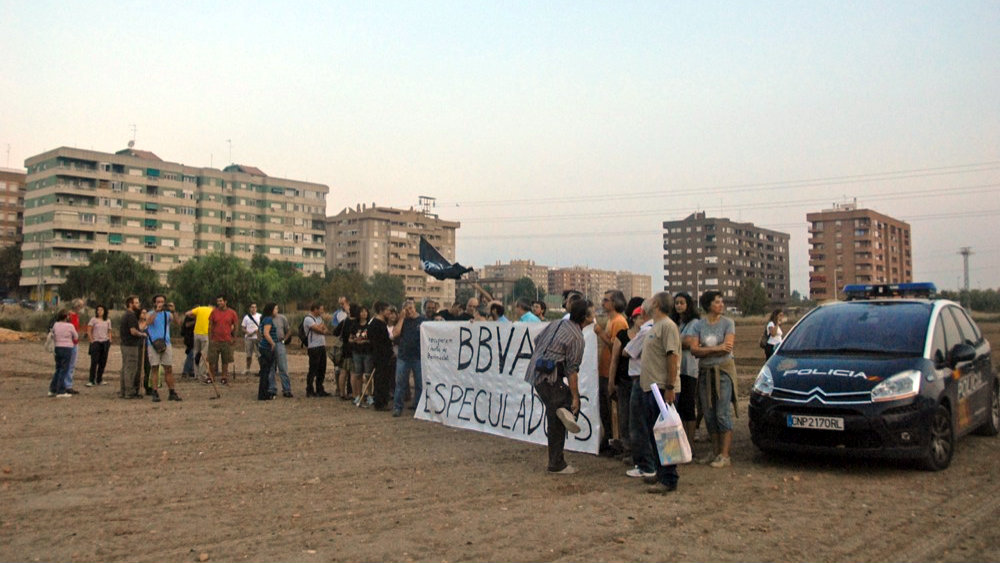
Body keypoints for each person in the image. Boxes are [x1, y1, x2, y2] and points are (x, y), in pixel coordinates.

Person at [524, 298, 588, 474]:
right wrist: (575, 397)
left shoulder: (557, 323)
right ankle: (556, 463)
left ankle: (556, 460)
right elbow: (572, 370)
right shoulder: (577, 337)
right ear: (585, 318)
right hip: (550, 378)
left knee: (555, 412)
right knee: (560, 414)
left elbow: (537, 340)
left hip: (536, 372)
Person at [687, 290, 737, 468]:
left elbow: (727, 348)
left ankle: (725, 455)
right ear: (708, 305)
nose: (721, 304)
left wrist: (705, 350)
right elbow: (694, 350)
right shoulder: (698, 325)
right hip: (705, 373)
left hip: (723, 372)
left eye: (721, 301)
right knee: (708, 413)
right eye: (717, 302)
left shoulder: (728, 323)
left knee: (722, 413)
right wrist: (717, 348)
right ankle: (715, 452)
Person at [638, 292, 683, 494]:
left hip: (662, 389)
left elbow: (672, 356)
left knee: (666, 435)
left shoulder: (667, 326)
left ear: (656, 304)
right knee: (654, 433)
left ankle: (669, 478)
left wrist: (670, 387)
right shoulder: (654, 326)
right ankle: (660, 471)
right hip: (651, 388)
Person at [623, 301, 655, 478]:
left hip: (640, 379)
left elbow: (627, 351)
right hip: (654, 380)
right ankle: (653, 463)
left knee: (638, 424)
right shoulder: (662, 327)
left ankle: (646, 465)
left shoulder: (645, 331)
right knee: (649, 423)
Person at [594, 290, 628, 456]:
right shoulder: (610, 320)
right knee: (605, 409)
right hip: (604, 369)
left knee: (612, 409)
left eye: (606, 300)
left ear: (615, 303)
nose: (603, 303)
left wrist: (600, 333)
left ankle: (616, 442)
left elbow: (616, 347)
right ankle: (608, 439)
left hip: (610, 372)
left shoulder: (619, 322)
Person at [670, 292, 700, 444]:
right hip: (677, 370)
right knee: (679, 407)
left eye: (682, 303)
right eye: (677, 303)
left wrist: (674, 340)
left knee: (688, 406)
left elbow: (690, 342)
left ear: (688, 305)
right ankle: (682, 442)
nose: (679, 306)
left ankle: (690, 442)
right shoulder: (677, 323)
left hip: (689, 370)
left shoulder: (694, 323)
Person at [145, 294, 183, 402]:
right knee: (155, 368)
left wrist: (173, 311)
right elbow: (148, 322)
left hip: (166, 343)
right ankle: (155, 392)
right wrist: (156, 311)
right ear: (154, 303)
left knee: (168, 368)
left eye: (162, 302)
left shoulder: (167, 314)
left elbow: (178, 323)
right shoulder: (150, 313)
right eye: (158, 302)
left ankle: (172, 392)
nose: (160, 304)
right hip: (153, 344)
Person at [392, 299, 425, 417]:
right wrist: (401, 318)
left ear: (415, 307)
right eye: (406, 309)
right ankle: (397, 407)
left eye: (410, 308)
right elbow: (395, 333)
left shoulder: (423, 320)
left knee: (419, 384)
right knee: (400, 383)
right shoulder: (403, 321)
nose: (409, 311)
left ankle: (418, 406)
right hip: (404, 356)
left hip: (418, 356)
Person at [368, 301, 394, 410]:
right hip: (381, 356)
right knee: (381, 380)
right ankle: (380, 403)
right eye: (387, 310)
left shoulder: (379, 323)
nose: (389, 312)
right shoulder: (377, 324)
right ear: (381, 311)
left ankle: (382, 401)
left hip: (382, 356)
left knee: (383, 379)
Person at [208, 295, 239, 386]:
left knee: (225, 360)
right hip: (215, 340)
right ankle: (211, 377)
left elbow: (236, 326)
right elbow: (210, 326)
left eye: (221, 301)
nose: (219, 303)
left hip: (226, 340)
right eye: (218, 301)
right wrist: (210, 339)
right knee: (212, 360)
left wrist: (234, 338)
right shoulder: (214, 312)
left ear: (225, 302)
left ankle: (224, 377)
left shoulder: (232, 313)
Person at [119, 295, 146, 399]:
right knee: (131, 368)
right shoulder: (131, 316)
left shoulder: (126, 315)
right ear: (130, 304)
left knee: (125, 368)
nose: (138, 305)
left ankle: (123, 391)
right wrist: (142, 334)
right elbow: (133, 331)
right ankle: (129, 392)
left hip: (125, 344)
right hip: (131, 345)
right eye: (136, 303)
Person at [49, 309, 78, 398]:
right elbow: (76, 336)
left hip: (57, 347)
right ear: (66, 317)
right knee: (64, 369)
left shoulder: (55, 324)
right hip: (67, 347)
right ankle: (61, 390)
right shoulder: (70, 326)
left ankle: (53, 389)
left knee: (58, 368)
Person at [303, 302, 330, 397]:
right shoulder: (308, 319)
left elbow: (325, 330)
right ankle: (309, 389)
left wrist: (321, 328)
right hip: (313, 347)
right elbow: (318, 330)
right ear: (315, 309)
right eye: (321, 309)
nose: (322, 311)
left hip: (322, 345)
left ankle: (320, 389)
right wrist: (320, 328)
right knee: (313, 369)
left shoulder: (319, 318)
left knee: (322, 369)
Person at [332, 302, 356, 400]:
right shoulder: (357, 322)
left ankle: (342, 393)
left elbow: (335, 332)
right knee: (353, 373)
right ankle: (353, 393)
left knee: (343, 372)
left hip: (344, 349)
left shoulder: (345, 321)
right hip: (354, 350)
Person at [268, 306, 293, 398]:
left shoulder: (282, 318)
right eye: (274, 308)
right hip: (269, 344)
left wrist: (284, 340)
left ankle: (287, 389)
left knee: (283, 367)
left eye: (277, 309)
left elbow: (288, 330)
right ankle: (272, 389)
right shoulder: (266, 319)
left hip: (279, 343)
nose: (276, 310)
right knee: (271, 368)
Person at [350, 306, 373, 406]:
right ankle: (359, 395)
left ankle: (369, 395)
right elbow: (350, 338)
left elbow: (373, 339)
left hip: (367, 352)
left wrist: (365, 341)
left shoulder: (370, 326)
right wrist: (355, 340)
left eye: (365, 311)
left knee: (368, 375)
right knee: (358, 374)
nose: (364, 313)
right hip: (357, 352)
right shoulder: (354, 326)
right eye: (362, 312)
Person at [186, 303, 214, 383]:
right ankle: (203, 375)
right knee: (203, 355)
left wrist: (196, 317)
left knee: (196, 354)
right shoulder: (212, 311)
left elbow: (187, 313)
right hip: (205, 333)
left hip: (196, 333)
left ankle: (196, 374)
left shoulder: (199, 309)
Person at [85, 304, 112, 387]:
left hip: (105, 342)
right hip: (96, 342)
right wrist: (91, 340)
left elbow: (109, 331)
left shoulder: (108, 320)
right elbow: (89, 330)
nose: (99, 311)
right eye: (98, 310)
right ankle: (91, 380)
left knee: (103, 362)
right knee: (94, 361)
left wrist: (110, 339)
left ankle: (99, 379)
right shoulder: (93, 320)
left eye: (101, 310)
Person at [256, 303, 279, 401]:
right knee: (266, 371)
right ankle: (263, 394)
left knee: (265, 371)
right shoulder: (268, 319)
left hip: (264, 347)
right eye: (276, 309)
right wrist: (272, 343)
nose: (277, 311)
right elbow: (266, 333)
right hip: (267, 348)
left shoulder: (264, 319)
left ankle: (263, 392)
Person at [62, 298, 85, 394]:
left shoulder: (76, 316)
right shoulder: (69, 316)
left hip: (75, 342)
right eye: (81, 306)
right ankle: (65, 385)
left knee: (71, 365)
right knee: (66, 365)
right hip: (68, 343)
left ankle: (68, 384)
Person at [241, 303, 261, 377]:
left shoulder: (260, 316)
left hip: (257, 338)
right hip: (248, 338)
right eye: (252, 307)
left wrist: (256, 332)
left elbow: (262, 326)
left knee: (259, 354)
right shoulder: (246, 317)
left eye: (255, 307)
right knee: (248, 355)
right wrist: (247, 332)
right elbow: (243, 328)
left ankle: (262, 369)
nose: (254, 309)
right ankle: (247, 369)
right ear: (250, 308)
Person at [181, 312, 197, 378]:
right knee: (191, 354)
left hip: (193, 338)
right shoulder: (189, 317)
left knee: (193, 354)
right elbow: (186, 325)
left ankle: (191, 370)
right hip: (189, 338)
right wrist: (196, 321)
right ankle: (186, 371)